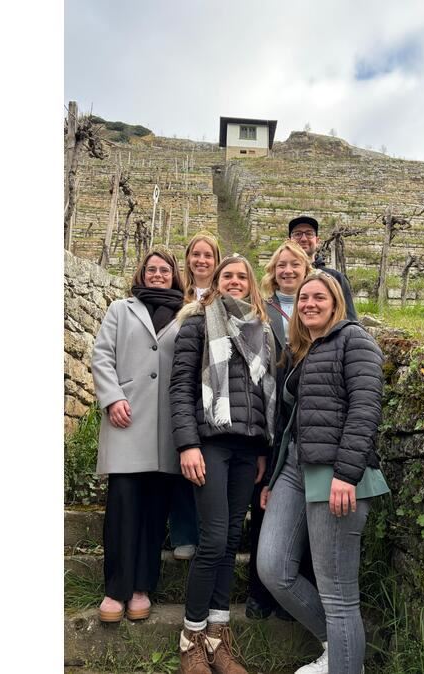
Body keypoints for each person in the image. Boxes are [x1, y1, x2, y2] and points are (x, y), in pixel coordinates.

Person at [256, 271, 390, 674]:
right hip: (295, 471)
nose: (309, 303)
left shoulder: (355, 340)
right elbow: (293, 421)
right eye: (304, 298)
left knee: (339, 596)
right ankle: (339, 648)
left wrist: (346, 475)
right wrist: (274, 477)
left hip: (336, 474)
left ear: (336, 303)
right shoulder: (302, 351)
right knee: (272, 568)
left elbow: (366, 411)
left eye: (319, 297)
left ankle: (347, 664)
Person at [169, 254, 276, 674]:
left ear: (251, 284)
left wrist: (264, 449)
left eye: (241, 276)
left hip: (248, 448)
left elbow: (263, 394)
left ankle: (218, 636)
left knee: (231, 541)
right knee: (213, 540)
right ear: (215, 281)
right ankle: (190, 638)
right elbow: (180, 389)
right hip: (210, 443)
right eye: (227, 275)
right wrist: (187, 445)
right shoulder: (197, 322)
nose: (234, 281)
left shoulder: (262, 330)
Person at [90, 249, 187, 624]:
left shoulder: (187, 312)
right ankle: (115, 590)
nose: (159, 274)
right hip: (127, 420)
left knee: (153, 512)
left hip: (166, 427)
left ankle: (142, 587)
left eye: (165, 269)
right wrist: (113, 397)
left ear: (173, 275)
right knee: (123, 509)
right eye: (152, 270)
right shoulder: (120, 309)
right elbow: (102, 356)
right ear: (142, 274)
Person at [245, 240, 314, 621]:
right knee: (263, 506)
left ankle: (293, 596)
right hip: (270, 419)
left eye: (295, 265)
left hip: (302, 419)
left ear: (307, 270)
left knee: (302, 515)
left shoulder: (317, 306)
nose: (287, 270)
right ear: (272, 271)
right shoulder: (262, 309)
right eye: (281, 265)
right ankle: (259, 593)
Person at [169, 232, 224, 560]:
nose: (202, 260)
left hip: (213, 391)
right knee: (181, 458)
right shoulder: (176, 296)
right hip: (179, 385)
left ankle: (208, 532)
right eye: (196, 254)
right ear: (187, 259)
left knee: (210, 463)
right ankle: (183, 532)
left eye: (209, 255)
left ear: (216, 262)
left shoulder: (224, 297)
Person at [286, 216, 358, 321]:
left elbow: (350, 321)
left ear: (317, 240)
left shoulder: (335, 278)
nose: (303, 238)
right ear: (288, 241)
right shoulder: (279, 278)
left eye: (309, 233)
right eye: (297, 234)